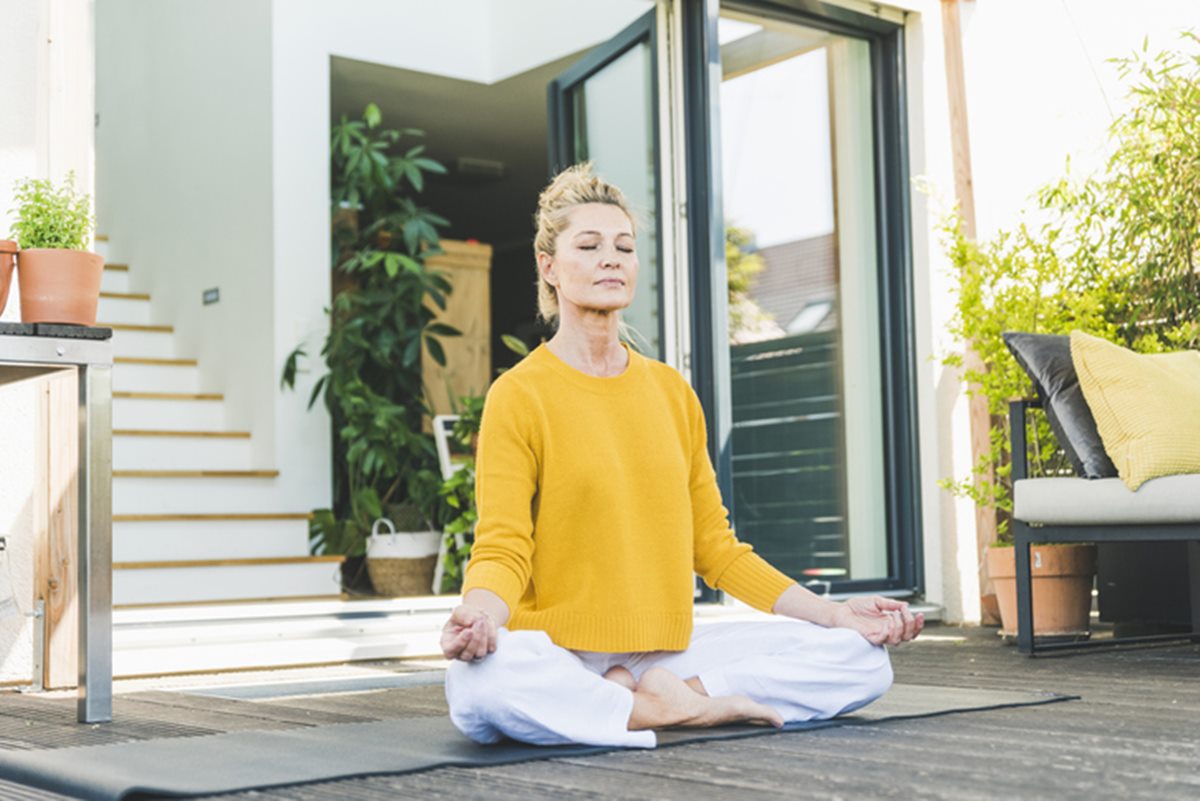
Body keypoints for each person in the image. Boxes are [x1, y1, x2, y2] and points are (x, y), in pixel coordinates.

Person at [441, 164, 923, 748]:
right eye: (588, 246)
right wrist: (481, 616)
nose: (610, 259)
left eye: (624, 246)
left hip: (664, 654)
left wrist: (836, 614)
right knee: (477, 687)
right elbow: (503, 546)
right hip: (561, 653)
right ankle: (680, 708)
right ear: (549, 267)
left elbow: (717, 550)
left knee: (862, 659)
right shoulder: (518, 395)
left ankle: (657, 696)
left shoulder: (671, 392)